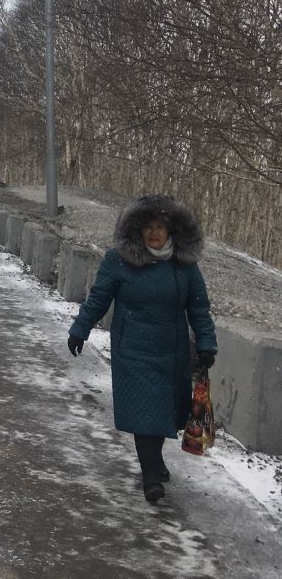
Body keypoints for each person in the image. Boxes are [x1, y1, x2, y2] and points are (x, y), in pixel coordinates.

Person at [66, 194, 217, 503]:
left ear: (172, 231)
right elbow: (99, 298)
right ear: (138, 229)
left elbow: (199, 309)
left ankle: (155, 460)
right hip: (132, 349)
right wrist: (80, 329)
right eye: (148, 227)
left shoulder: (184, 265)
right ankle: (150, 475)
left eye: (160, 227)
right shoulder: (119, 259)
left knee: (163, 411)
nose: (154, 233)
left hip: (171, 352)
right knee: (144, 410)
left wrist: (206, 344)